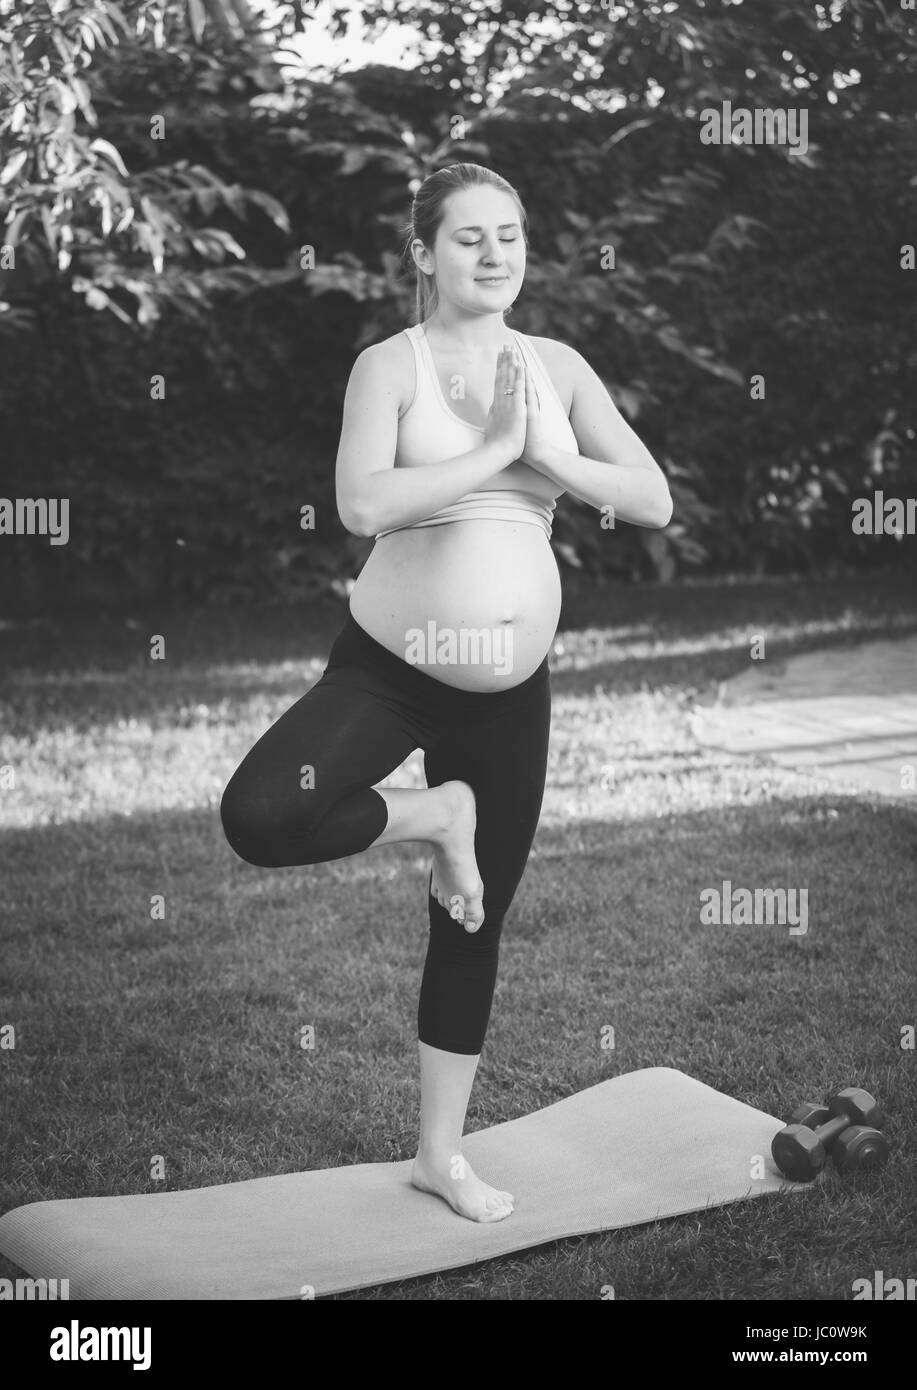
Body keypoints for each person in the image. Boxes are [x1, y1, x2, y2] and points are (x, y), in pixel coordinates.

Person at [220, 163, 672, 1224]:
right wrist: (491, 454)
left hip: (508, 697)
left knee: (471, 919)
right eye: (467, 237)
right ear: (423, 254)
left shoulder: (555, 367)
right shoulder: (390, 365)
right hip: (390, 673)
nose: (494, 254)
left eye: (508, 234)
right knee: (263, 813)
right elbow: (360, 502)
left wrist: (549, 449)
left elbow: (649, 496)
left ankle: (438, 1153)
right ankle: (433, 815)